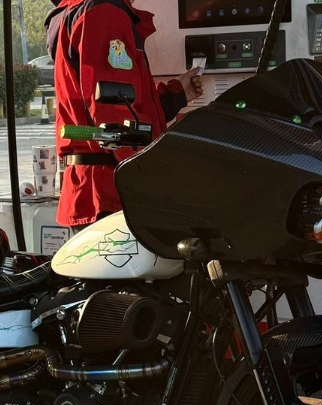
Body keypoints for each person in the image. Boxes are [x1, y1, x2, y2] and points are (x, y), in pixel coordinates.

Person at [45, 0, 204, 232]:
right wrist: (156, 186)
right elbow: (115, 117)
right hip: (112, 196)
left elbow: (120, 103)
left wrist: (176, 95)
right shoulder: (104, 12)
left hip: (94, 191)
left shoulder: (82, 11)